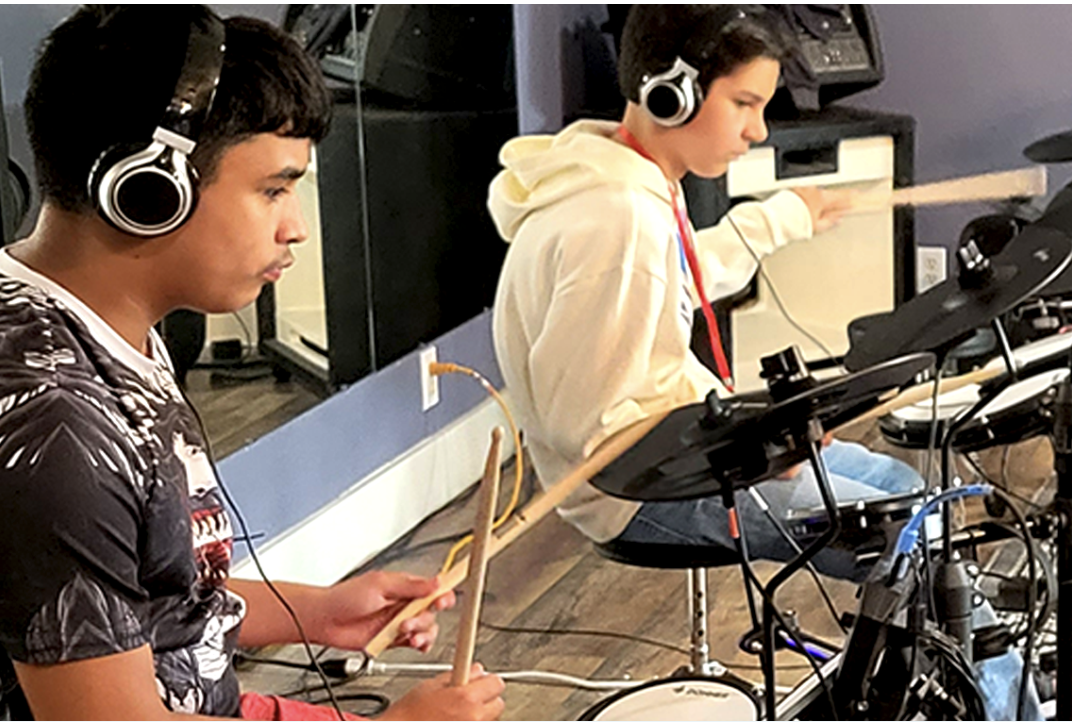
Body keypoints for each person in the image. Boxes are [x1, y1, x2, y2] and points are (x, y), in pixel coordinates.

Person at [489, 5, 1038, 719]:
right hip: (635, 496)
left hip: (667, 459)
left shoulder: (621, 179)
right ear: (671, 94)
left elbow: (678, 275)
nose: (757, 130)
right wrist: (756, 446)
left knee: (902, 490)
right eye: (744, 103)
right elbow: (598, 433)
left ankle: (946, 686)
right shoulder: (616, 219)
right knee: (911, 535)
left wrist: (784, 216)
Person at [0, 6, 504, 720]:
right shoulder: (56, 431)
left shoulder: (94, 322)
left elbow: (158, 598)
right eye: (274, 189)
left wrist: (320, 612)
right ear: (150, 191)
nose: (296, 227)